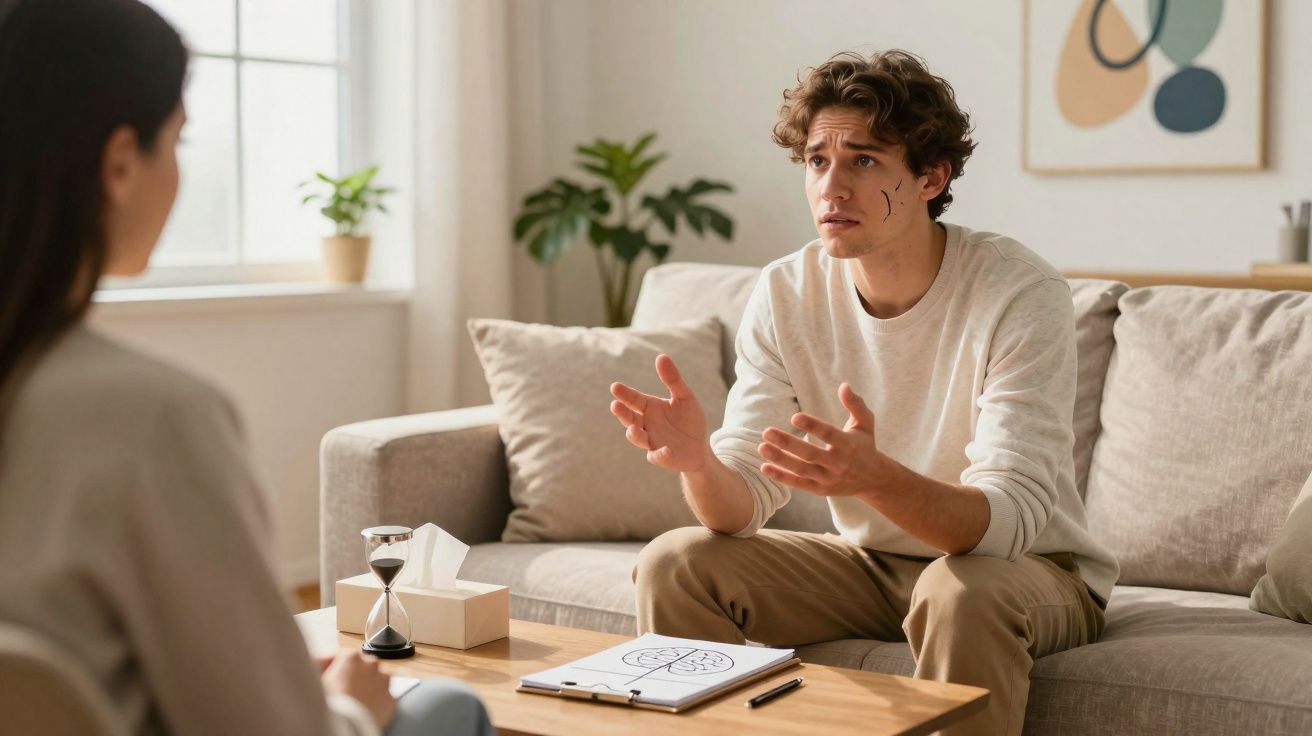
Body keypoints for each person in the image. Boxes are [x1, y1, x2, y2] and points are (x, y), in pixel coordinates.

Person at [0, 1, 492, 734]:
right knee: (449, 706)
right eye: (178, 140)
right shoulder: (153, 419)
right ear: (120, 163)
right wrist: (352, 707)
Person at [610, 50, 1118, 736]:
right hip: (873, 566)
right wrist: (701, 464)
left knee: (957, 591)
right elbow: (740, 509)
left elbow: (1004, 523)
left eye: (865, 160)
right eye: (817, 161)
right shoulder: (786, 290)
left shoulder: (1019, 292)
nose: (832, 187)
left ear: (931, 177)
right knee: (677, 562)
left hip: (1023, 571)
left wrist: (875, 479)